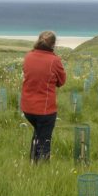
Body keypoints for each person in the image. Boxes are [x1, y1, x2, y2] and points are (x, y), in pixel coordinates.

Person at [21, 31, 66, 163]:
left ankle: (32, 162)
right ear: (53, 44)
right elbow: (61, 82)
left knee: (38, 133)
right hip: (45, 110)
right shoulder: (54, 60)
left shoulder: (28, 56)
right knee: (44, 141)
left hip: (27, 108)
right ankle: (41, 169)